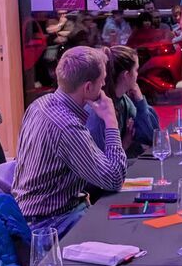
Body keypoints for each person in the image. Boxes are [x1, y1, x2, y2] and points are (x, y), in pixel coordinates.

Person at [12, 46, 126, 236]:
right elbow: (114, 179)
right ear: (88, 88)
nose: (104, 84)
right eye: (102, 81)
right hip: (51, 223)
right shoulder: (68, 127)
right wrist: (111, 121)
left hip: (29, 215)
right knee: (123, 231)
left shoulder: (38, 104)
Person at [86, 45, 160, 158]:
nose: (137, 74)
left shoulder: (123, 100)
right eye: (136, 70)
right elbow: (99, 161)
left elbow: (152, 137)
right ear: (126, 75)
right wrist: (124, 145)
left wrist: (140, 102)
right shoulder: (97, 109)